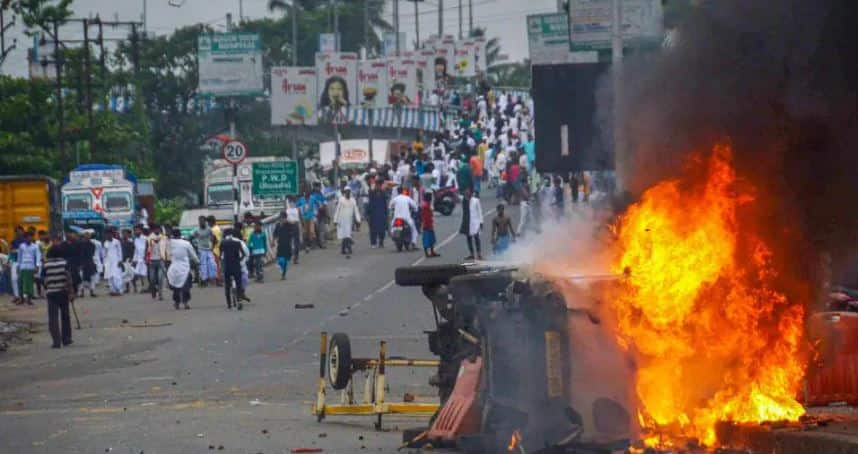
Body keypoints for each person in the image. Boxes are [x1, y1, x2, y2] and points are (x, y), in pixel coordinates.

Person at [42, 241, 73, 349]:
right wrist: (71, 292)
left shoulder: (46, 265)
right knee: (65, 316)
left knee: (53, 318)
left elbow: (44, 280)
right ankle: (66, 338)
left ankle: (56, 341)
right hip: (63, 292)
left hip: (51, 293)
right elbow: (68, 278)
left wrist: (48, 287)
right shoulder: (64, 263)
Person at [167, 228, 198, 310]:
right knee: (186, 286)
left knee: (176, 286)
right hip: (185, 268)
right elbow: (193, 254)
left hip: (174, 267)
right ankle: (185, 302)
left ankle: (177, 302)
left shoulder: (170, 243)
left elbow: (167, 254)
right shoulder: (186, 243)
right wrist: (197, 262)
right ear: (180, 235)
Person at [219, 225, 249, 309]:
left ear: (225, 234)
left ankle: (229, 304)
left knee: (227, 286)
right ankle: (239, 301)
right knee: (239, 284)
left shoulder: (223, 243)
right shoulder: (238, 242)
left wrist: (222, 265)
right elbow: (243, 254)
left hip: (227, 267)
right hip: (236, 266)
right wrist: (238, 260)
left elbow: (221, 256)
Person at [334, 187, 361, 257]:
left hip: (349, 221)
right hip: (341, 220)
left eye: (349, 191)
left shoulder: (353, 200)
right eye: (346, 192)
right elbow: (337, 210)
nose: (348, 193)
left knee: (347, 235)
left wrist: (358, 220)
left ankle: (344, 249)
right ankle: (348, 248)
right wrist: (335, 220)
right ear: (344, 192)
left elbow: (356, 210)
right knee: (344, 235)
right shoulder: (341, 200)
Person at [17, 231, 41, 305]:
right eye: (27, 237)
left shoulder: (35, 246)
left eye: (30, 237)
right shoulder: (21, 246)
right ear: (25, 238)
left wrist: (37, 266)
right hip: (22, 267)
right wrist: (18, 266)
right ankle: (21, 299)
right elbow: (19, 256)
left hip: (31, 267)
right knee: (20, 282)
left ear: (32, 238)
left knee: (30, 283)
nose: (29, 238)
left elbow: (38, 256)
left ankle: (29, 299)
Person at [192, 216, 217, 286]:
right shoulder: (196, 230)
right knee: (203, 265)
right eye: (200, 221)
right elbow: (191, 237)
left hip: (209, 249)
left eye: (203, 221)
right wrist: (194, 246)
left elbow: (214, 238)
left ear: (205, 222)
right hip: (201, 249)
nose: (201, 222)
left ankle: (212, 278)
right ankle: (203, 280)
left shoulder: (209, 229)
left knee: (212, 264)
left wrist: (213, 247)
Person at [460, 188, 484, 260]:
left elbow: (480, 211)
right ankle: (471, 254)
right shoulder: (464, 200)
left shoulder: (476, 201)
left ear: (471, 193)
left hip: (475, 222)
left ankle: (479, 254)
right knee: (468, 238)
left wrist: (481, 222)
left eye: (468, 192)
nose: (467, 193)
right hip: (467, 222)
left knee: (476, 238)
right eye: (465, 193)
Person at [146, 226, 169, 300]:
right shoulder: (149, 238)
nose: (157, 230)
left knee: (160, 278)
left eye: (158, 229)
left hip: (160, 260)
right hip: (152, 260)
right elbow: (146, 249)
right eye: (155, 229)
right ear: (153, 230)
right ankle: (153, 290)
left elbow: (166, 249)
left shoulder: (164, 238)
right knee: (152, 279)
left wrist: (167, 259)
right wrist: (146, 259)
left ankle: (160, 294)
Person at [367, 180, 389, 248]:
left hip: (381, 214)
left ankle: (381, 242)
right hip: (373, 214)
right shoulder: (372, 193)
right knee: (373, 230)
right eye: (377, 185)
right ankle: (373, 243)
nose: (378, 186)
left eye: (379, 185)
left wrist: (386, 213)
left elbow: (385, 204)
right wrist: (368, 214)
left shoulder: (383, 193)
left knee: (382, 230)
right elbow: (369, 204)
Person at [103, 228, 124, 296]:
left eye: (109, 234)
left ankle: (119, 290)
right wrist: (104, 263)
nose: (108, 235)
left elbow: (120, 251)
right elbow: (104, 254)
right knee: (110, 276)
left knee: (117, 276)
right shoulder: (105, 243)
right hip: (108, 262)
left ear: (112, 234)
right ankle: (113, 290)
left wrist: (120, 260)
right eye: (106, 234)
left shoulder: (116, 242)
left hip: (116, 261)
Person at [273, 214, 295, 280]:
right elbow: (275, 234)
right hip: (280, 245)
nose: (282, 219)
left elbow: (293, 231)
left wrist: (289, 223)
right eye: (281, 218)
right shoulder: (277, 225)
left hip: (287, 245)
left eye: (283, 218)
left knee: (285, 261)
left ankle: (283, 274)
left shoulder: (288, 225)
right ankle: (282, 271)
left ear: (285, 218)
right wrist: (273, 241)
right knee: (279, 260)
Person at [79, 230, 98, 298]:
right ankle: (82, 292)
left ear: (90, 237)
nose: (87, 237)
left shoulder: (92, 245)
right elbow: (79, 254)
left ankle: (92, 292)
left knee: (92, 278)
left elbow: (92, 254)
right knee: (81, 278)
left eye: (88, 236)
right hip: (82, 263)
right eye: (85, 236)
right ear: (84, 237)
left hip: (90, 262)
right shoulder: (80, 244)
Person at [421, 192, 440, 258]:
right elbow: (426, 217)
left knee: (431, 239)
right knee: (427, 239)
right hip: (427, 225)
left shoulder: (427, 205)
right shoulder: (426, 206)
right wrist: (427, 225)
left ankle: (432, 252)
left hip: (429, 224)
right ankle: (427, 253)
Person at [132, 225, 148, 292]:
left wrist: (146, 257)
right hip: (138, 258)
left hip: (145, 258)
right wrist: (134, 259)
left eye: (137, 230)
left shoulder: (145, 238)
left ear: (141, 231)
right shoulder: (135, 240)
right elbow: (136, 250)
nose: (136, 232)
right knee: (139, 273)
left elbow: (147, 248)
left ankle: (146, 287)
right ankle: (144, 287)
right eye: (135, 230)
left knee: (144, 273)